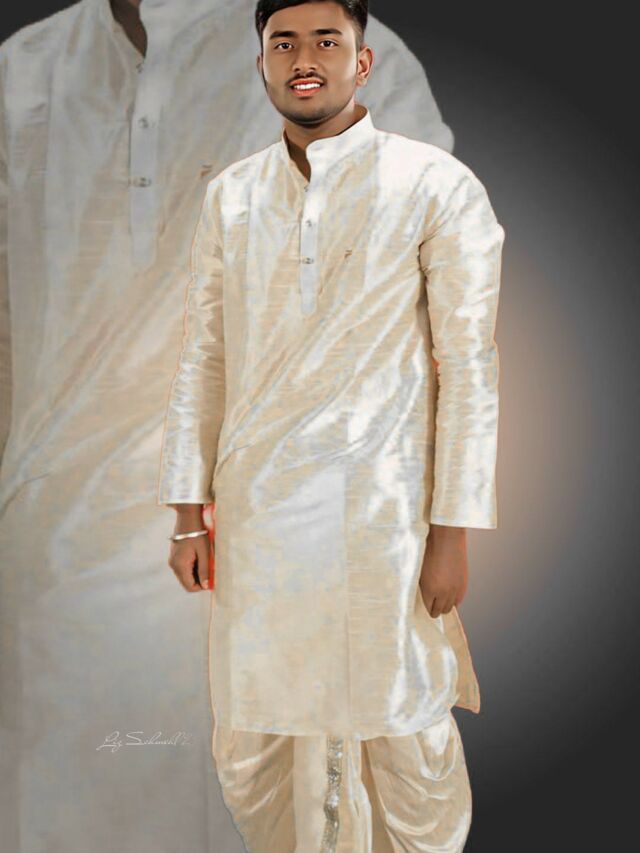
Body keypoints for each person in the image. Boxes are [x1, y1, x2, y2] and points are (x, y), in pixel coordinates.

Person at [0, 0, 458, 850]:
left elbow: (429, 347)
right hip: (49, 598)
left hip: (284, 564)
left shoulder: (356, 65)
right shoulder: (27, 69)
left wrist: (435, 534)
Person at [156, 0, 505, 850]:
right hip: (259, 521)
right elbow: (205, 355)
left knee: (403, 730)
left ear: (363, 61)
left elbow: (468, 364)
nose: (303, 59)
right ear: (263, 64)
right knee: (255, 742)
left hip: (382, 520)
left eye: (326, 41)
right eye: (283, 43)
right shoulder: (233, 195)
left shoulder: (434, 184)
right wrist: (186, 511)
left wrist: (452, 529)